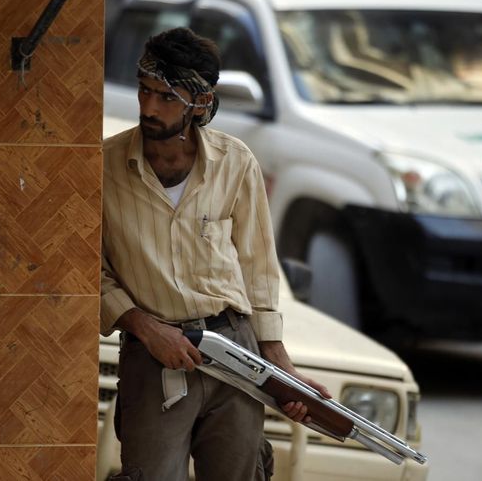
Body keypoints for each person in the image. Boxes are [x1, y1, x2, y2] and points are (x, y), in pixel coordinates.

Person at [101, 27, 331, 481]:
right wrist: (146, 330)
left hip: (235, 351)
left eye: (166, 97)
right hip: (154, 357)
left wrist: (279, 367)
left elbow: (259, 271)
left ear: (200, 105)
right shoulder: (103, 166)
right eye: (145, 92)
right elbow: (89, 271)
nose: (149, 107)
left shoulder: (236, 162)